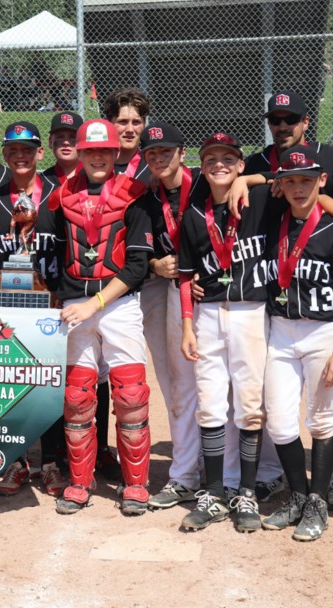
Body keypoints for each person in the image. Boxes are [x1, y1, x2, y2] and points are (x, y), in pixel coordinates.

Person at [52, 119, 154, 516]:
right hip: (75, 304)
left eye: (104, 151)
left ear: (116, 153)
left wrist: (95, 304)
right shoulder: (61, 195)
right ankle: (80, 482)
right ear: (80, 153)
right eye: (90, 151)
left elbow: (136, 267)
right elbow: (51, 251)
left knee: (131, 397)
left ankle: (135, 485)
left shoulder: (135, 195)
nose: (97, 157)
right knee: (77, 400)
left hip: (118, 304)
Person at [259, 145, 333, 542]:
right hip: (281, 330)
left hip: (322, 332)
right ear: (280, 185)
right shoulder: (271, 219)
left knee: (322, 418)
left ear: (322, 180)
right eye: (290, 180)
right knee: (280, 420)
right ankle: (299, 496)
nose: (299, 187)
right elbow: (247, 184)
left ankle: (318, 500)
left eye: (307, 179)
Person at [176, 133, 274, 531]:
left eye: (228, 159)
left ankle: (246, 492)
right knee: (210, 403)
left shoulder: (259, 201)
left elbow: (288, 180)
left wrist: (249, 180)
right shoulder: (193, 215)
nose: (219, 164)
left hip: (251, 312)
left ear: (239, 164)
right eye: (211, 158)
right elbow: (184, 275)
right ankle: (215, 492)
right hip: (208, 313)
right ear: (201, 166)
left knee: (249, 405)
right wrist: (186, 324)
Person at [0, 121, 67, 497]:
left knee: (47, 384)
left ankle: (50, 462)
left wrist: (64, 293)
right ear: (4, 154)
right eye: (13, 149)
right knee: (10, 385)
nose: (21, 155)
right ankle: (16, 461)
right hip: (6, 306)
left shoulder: (57, 196)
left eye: (28, 149)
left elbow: (68, 249)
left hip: (48, 303)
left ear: (40, 153)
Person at [135, 122, 202, 511]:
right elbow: (135, 253)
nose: (159, 158)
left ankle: (230, 472)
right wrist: (154, 265)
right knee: (173, 382)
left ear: (182, 152)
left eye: (166, 151)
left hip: (201, 294)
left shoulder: (206, 189)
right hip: (161, 290)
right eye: (152, 154)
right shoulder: (147, 199)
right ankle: (185, 474)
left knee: (205, 382)